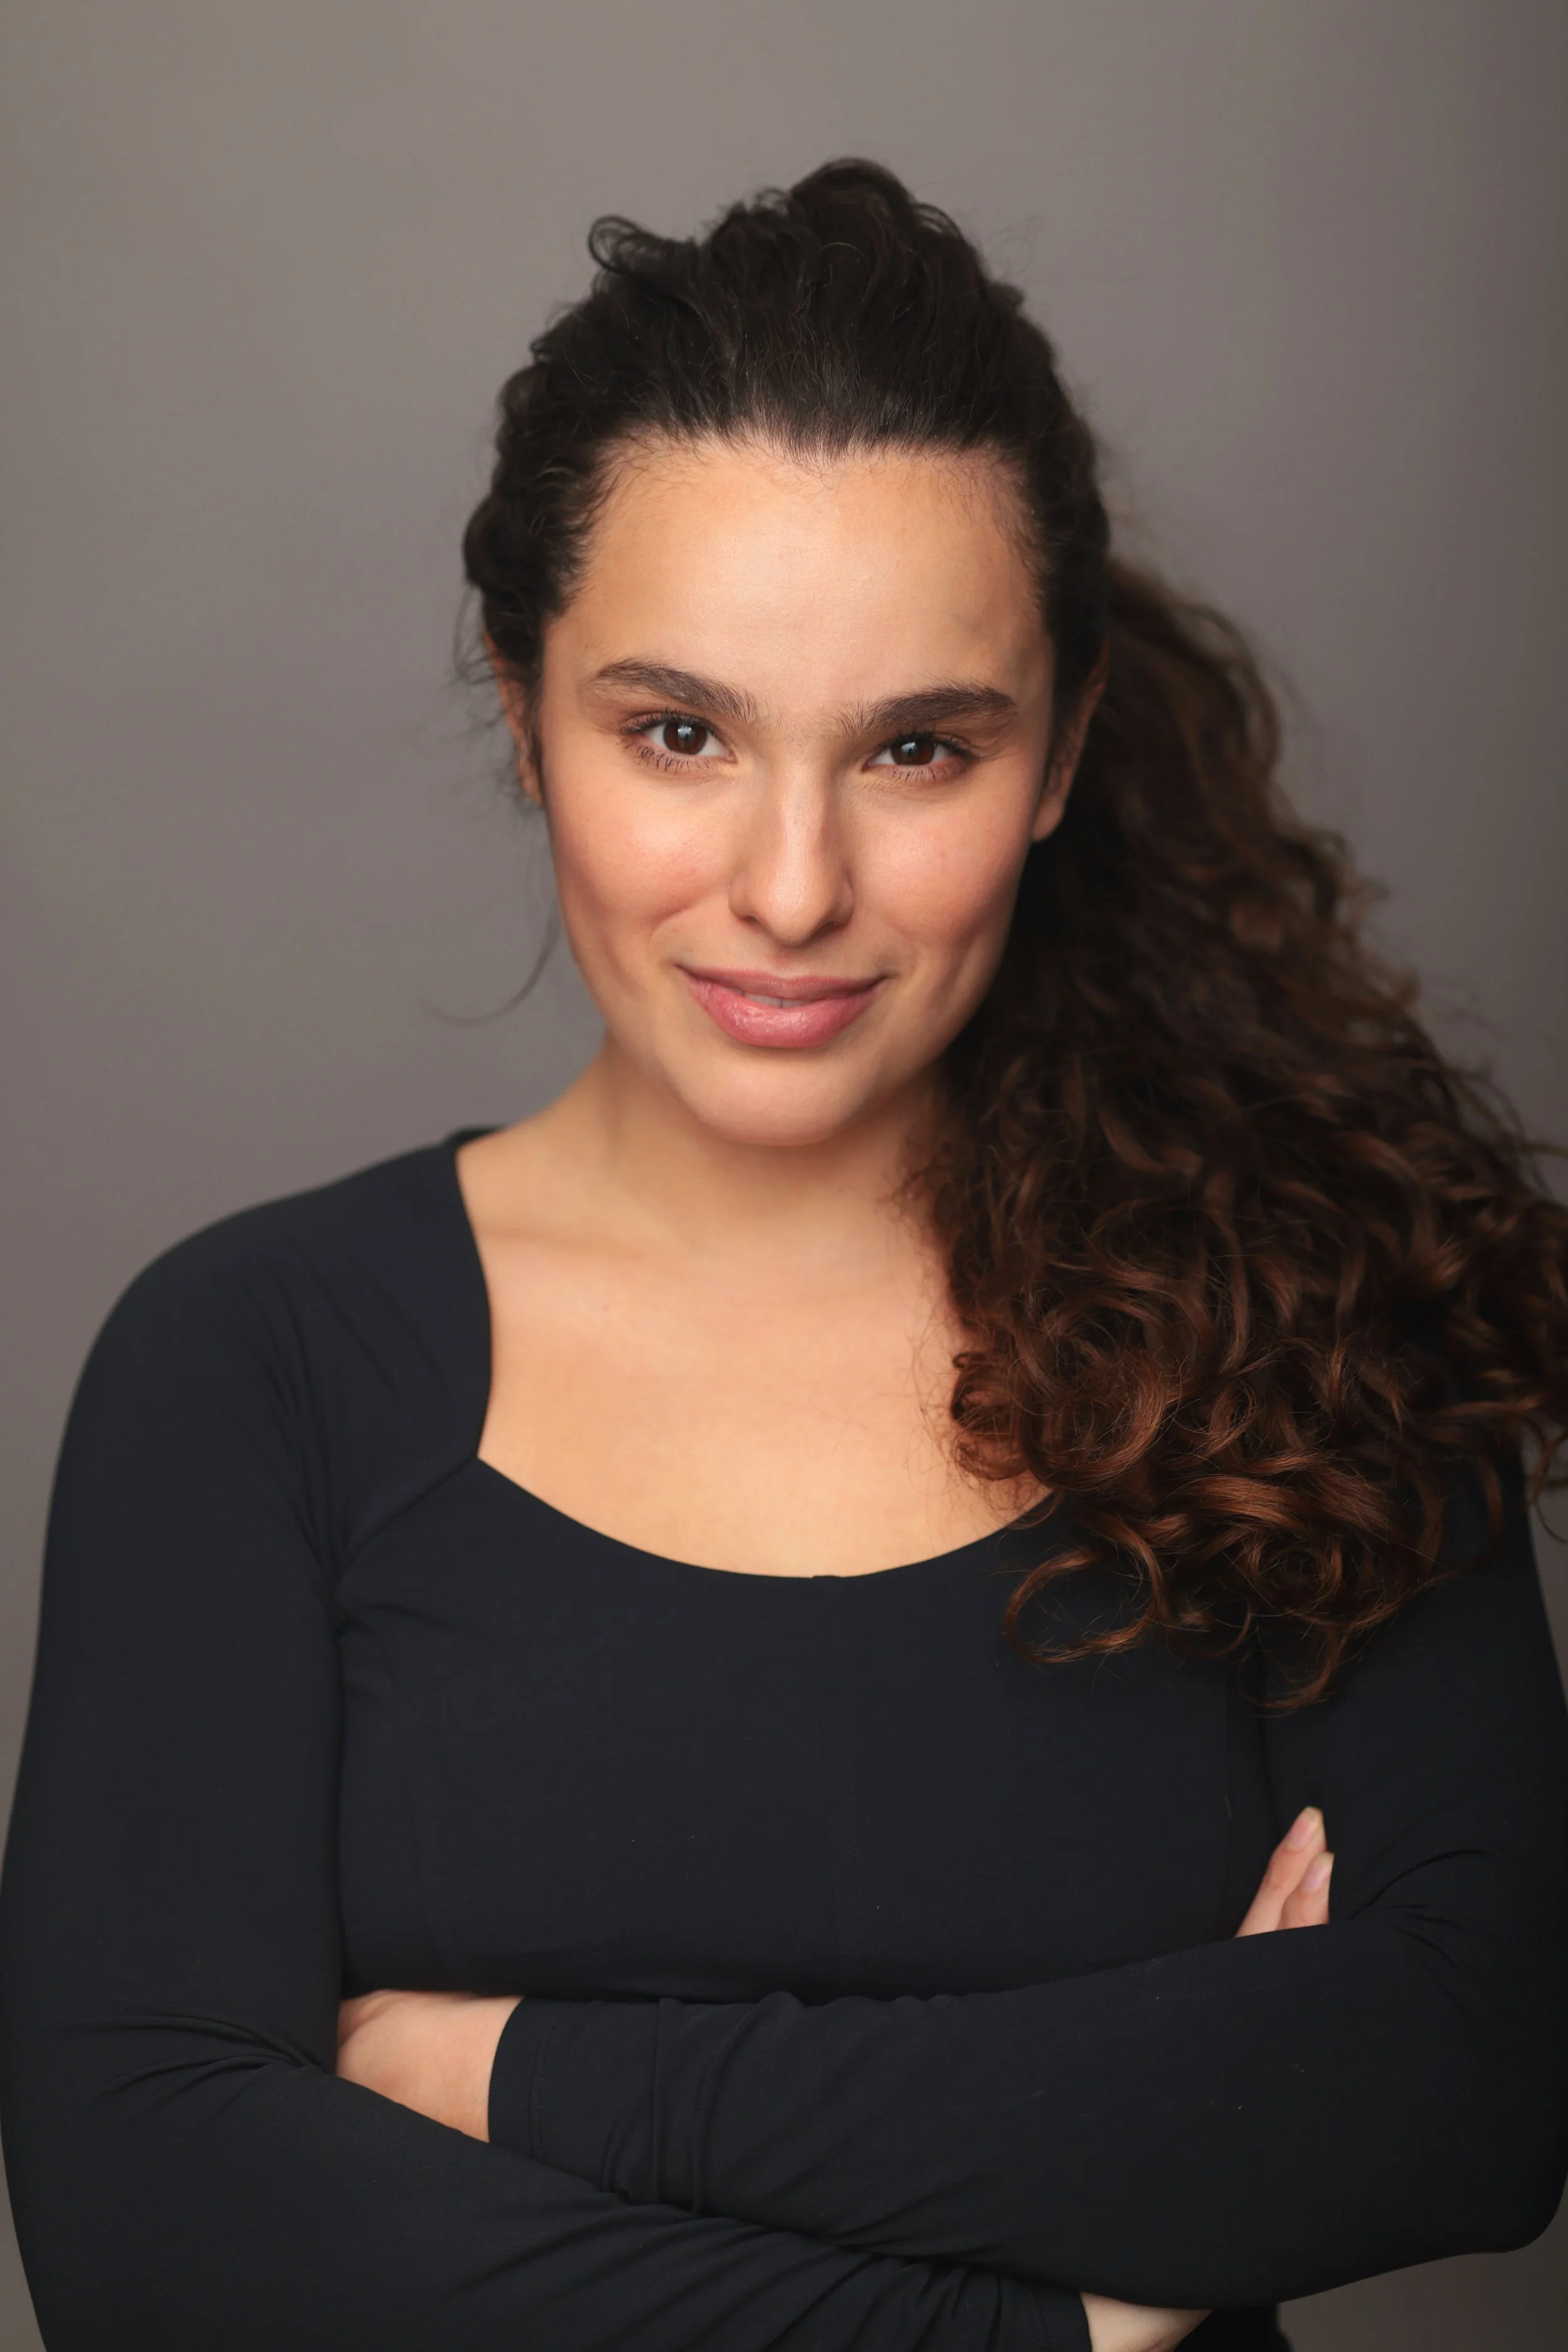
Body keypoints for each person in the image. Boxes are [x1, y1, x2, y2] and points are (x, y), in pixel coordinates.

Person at [1, 160, 1565, 2352]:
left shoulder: (1312, 1322)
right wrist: (1054, 2315)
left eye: (916, 745)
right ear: (520, 702)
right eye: (679, 734)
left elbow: (1461, 2088)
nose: (793, 884)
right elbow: (160, 2235)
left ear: (1062, 750)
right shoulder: (249, 1365)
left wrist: (504, 2072)